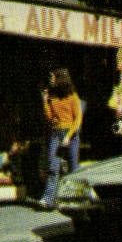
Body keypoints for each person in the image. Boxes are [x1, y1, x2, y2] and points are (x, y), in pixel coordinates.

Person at [39, 69, 83, 209]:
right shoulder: (51, 96)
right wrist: (45, 101)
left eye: (53, 78)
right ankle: (48, 200)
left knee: (73, 168)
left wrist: (68, 136)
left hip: (71, 134)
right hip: (56, 133)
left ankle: (76, 199)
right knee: (53, 167)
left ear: (61, 80)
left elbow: (78, 119)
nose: (51, 81)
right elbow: (50, 118)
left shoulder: (73, 96)